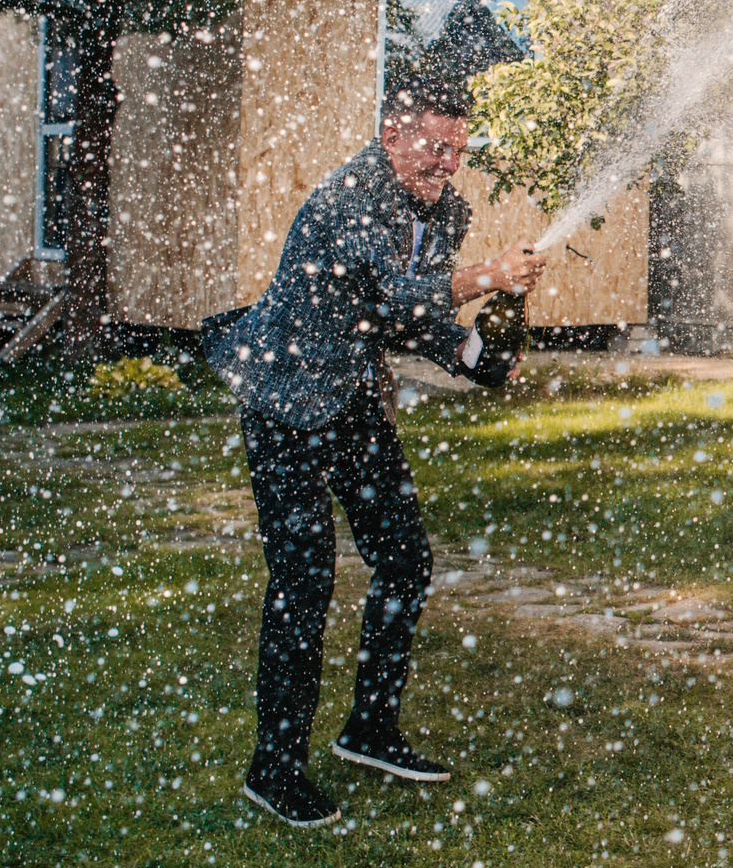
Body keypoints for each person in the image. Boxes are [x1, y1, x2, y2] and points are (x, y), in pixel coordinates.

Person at [204, 74, 545, 828]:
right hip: (284, 398)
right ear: (393, 135)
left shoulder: (446, 209)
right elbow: (388, 295)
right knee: (304, 582)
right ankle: (274, 769)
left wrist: (473, 353)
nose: (448, 163)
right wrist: (486, 276)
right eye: (435, 146)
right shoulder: (344, 199)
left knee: (405, 558)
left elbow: (407, 319)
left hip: (353, 397)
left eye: (458, 149)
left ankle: (369, 729)